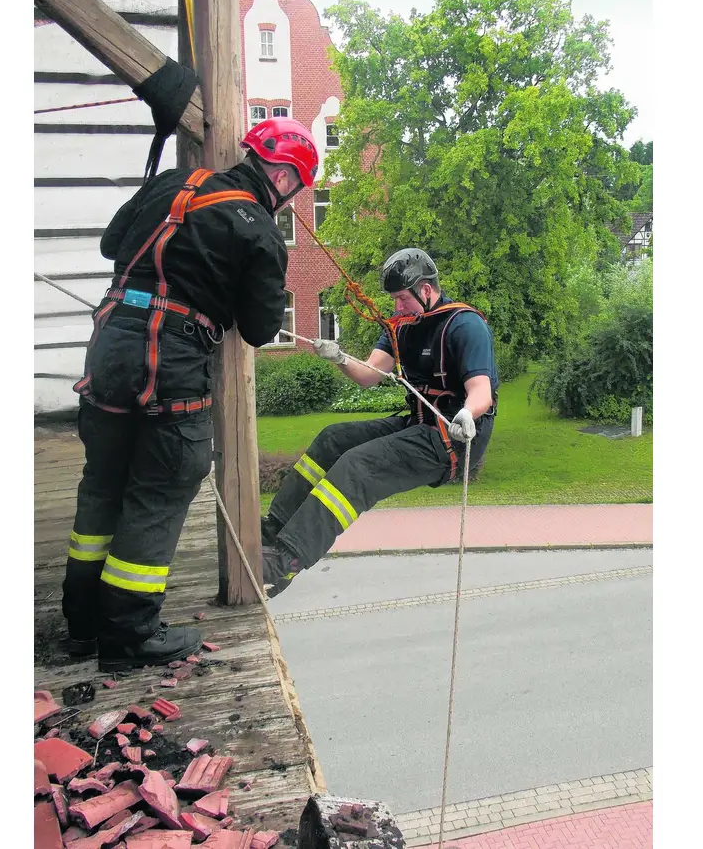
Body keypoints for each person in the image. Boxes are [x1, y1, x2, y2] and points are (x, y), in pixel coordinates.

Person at [63, 117, 321, 671]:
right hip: (171, 361)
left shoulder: (171, 183)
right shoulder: (258, 230)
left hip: (110, 346)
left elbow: (111, 244)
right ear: (282, 178)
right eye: (296, 189)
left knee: (102, 483)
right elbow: (259, 328)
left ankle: (81, 622)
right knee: (160, 488)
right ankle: (127, 634)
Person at [259, 248, 499, 596]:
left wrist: (467, 413)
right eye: (394, 299)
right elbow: (369, 374)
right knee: (332, 439)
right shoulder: (401, 327)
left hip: (454, 439)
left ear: (426, 290)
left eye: (402, 298)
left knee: (358, 466)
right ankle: (276, 528)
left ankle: (290, 557)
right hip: (420, 424)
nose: (396, 306)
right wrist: (340, 358)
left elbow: (481, 392)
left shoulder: (464, 325)